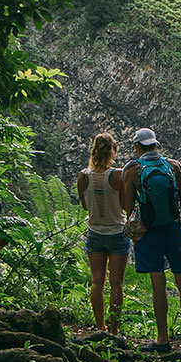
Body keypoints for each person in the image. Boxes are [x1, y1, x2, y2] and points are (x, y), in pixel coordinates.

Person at [120, 127, 181, 351]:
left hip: (150, 232)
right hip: (173, 228)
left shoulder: (132, 171)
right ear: (156, 145)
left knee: (158, 283)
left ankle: (162, 339)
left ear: (137, 147)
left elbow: (128, 207)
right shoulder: (173, 166)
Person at [75, 132, 129, 335]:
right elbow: (125, 205)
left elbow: (85, 206)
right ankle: (114, 330)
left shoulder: (84, 175)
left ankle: (99, 326)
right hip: (116, 233)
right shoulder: (118, 175)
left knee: (97, 281)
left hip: (94, 232)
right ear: (112, 152)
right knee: (117, 283)